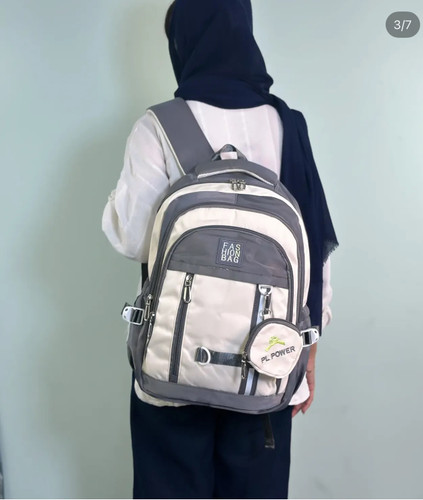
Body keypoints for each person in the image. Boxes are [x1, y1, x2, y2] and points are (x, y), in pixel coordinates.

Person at [102, 0, 338, 498]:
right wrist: (307, 348)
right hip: (266, 361)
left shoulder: (158, 125)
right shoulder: (288, 125)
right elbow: (312, 250)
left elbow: (132, 238)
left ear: (184, 43)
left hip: (171, 361)